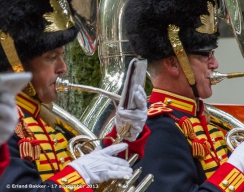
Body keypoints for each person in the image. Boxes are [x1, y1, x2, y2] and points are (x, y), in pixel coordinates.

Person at [123, 0, 244, 191]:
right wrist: (236, 170)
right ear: (174, 63)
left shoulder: (204, 122)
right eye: (205, 55)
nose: (215, 63)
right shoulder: (157, 128)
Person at [0, 0, 149, 191]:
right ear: (17, 65)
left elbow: (99, 175)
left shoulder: (49, 123)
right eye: (52, 58)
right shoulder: (6, 123)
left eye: (62, 56)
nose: (63, 68)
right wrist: (79, 176)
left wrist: (124, 133)